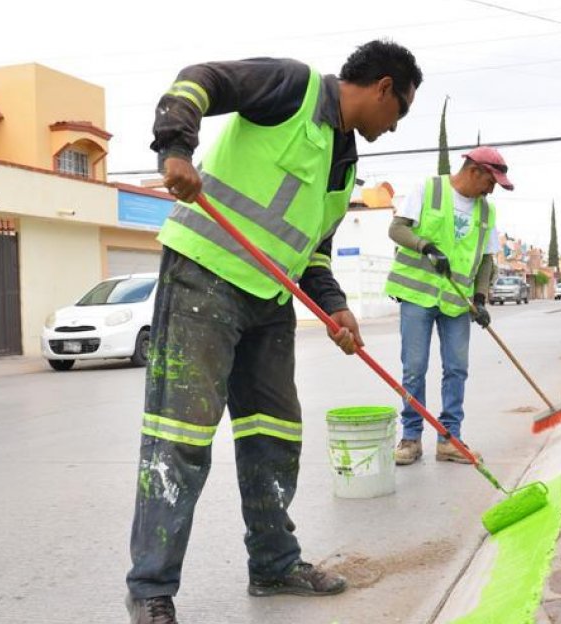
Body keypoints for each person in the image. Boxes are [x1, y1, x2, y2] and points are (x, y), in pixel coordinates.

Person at [124, 40, 422, 624]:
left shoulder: (345, 164)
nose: (394, 127)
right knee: (180, 436)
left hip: (268, 298)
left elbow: (312, 250)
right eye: (400, 111)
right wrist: (176, 149)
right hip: (202, 279)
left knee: (275, 433)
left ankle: (274, 564)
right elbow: (199, 78)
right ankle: (150, 588)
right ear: (383, 87)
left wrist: (334, 307)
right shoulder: (293, 86)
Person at [385, 147, 514, 465]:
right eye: (491, 181)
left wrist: (481, 299)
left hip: (457, 302)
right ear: (474, 171)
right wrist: (425, 246)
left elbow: (485, 259)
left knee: (456, 369)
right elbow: (396, 229)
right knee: (414, 368)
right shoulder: (427, 190)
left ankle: (449, 439)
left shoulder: (486, 212)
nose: (491, 189)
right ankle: (411, 439)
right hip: (418, 296)